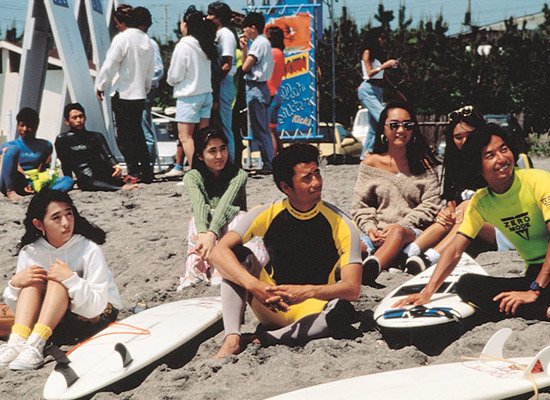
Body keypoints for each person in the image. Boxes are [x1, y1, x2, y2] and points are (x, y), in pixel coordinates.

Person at [210, 143, 362, 358]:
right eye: (306, 178)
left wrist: (307, 292)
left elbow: (353, 288)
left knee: (343, 312)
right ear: (286, 187)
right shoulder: (268, 212)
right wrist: (256, 286)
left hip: (313, 311)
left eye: (317, 174)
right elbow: (217, 252)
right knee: (235, 255)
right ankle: (233, 338)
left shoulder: (341, 223)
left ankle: (264, 339)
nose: (316, 183)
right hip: (271, 302)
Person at [395, 124, 550, 322]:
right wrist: (428, 292)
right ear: (477, 166)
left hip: (542, 279)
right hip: (537, 274)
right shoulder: (481, 202)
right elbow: (455, 250)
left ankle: (539, 307)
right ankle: (544, 310)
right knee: (468, 285)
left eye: (504, 149)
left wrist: (535, 290)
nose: (501, 159)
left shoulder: (539, 181)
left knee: (521, 295)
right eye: (490, 155)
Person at [0, 189, 123, 370]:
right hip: (54, 320)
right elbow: (20, 309)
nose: (66, 223)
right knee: (31, 280)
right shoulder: (30, 252)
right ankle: (18, 341)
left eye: (69, 214)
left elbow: (95, 307)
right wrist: (14, 285)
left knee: (58, 280)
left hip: (95, 316)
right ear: (39, 224)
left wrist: (72, 279)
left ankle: (35, 345)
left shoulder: (89, 249)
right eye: (56, 218)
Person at [350, 102, 440, 284]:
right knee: (353, 247)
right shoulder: (370, 163)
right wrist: (370, 228)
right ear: (383, 128)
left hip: (411, 232)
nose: (401, 130)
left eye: (407, 125)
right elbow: (361, 206)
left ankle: (372, 270)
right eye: (394, 125)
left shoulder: (425, 164)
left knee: (397, 232)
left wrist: (400, 225)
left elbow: (431, 206)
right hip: (377, 233)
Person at [178, 127, 267, 290]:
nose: (219, 156)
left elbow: (226, 206)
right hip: (208, 233)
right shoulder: (192, 177)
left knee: (238, 216)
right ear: (200, 155)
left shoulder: (239, 175)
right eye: (212, 151)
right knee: (196, 222)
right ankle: (195, 270)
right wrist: (205, 234)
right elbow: (199, 206)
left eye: (223, 149)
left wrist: (211, 234)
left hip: (232, 230)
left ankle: (223, 268)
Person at [95, 6, 155, 183]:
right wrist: (146, 87)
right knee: (138, 134)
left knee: (123, 137)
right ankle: (146, 171)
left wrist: (100, 85)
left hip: (123, 94)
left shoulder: (122, 38)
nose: (117, 27)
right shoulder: (147, 40)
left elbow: (110, 64)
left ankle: (133, 171)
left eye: (117, 23)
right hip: (139, 94)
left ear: (121, 22)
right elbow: (150, 68)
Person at [167, 6, 217, 169]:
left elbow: (174, 75)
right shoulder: (205, 43)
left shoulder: (184, 45)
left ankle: (198, 171)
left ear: (186, 24)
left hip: (189, 96)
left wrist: (171, 81)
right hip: (205, 94)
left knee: (186, 137)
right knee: (203, 138)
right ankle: (208, 170)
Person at [55, 103, 136, 192]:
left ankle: (119, 184)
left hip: (103, 171)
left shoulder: (96, 136)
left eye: (81, 116)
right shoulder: (62, 139)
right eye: (74, 118)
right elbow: (65, 163)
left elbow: (108, 156)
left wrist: (116, 166)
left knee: (110, 174)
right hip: (85, 177)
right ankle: (120, 188)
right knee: (83, 182)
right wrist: (68, 181)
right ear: (67, 121)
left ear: (85, 118)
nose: (79, 120)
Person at [0, 108, 71, 201]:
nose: (25, 129)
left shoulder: (45, 145)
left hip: (33, 182)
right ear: (17, 125)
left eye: (29, 126)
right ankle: (10, 192)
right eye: (22, 125)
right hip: (12, 181)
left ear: (36, 126)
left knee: (68, 180)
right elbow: (5, 167)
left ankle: (42, 191)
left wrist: (33, 184)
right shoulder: (9, 145)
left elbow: (41, 169)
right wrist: (25, 181)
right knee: (13, 150)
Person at [240, 12, 274, 175]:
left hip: (256, 87)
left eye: (245, 28)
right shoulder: (262, 43)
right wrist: (245, 48)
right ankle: (267, 162)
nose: (244, 31)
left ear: (253, 28)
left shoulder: (259, 43)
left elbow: (245, 66)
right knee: (261, 128)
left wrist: (245, 52)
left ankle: (269, 163)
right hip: (260, 87)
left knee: (260, 128)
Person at [357, 27, 399, 157]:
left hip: (378, 89)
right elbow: (370, 73)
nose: (383, 40)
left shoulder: (377, 56)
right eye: (381, 37)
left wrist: (395, 88)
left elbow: (382, 76)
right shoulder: (367, 52)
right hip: (368, 89)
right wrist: (385, 65)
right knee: (383, 117)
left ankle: (366, 155)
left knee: (374, 127)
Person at [207, 2, 238, 164]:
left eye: (211, 15)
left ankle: (231, 162)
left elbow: (227, 63)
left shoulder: (225, 35)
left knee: (225, 125)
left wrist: (215, 82)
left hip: (224, 82)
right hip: (220, 82)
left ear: (219, 17)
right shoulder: (218, 34)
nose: (208, 17)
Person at [136, 6, 165, 170]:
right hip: (140, 90)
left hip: (145, 91)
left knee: (145, 128)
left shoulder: (149, 43)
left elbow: (158, 70)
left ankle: (148, 165)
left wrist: (144, 84)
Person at [266, 26, 285, 156]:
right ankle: (282, 156)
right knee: (273, 129)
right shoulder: (280, 53)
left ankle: (272, 159)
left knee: (269, 130)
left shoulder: (272, 53)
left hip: (270, 94)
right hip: (276, 92)